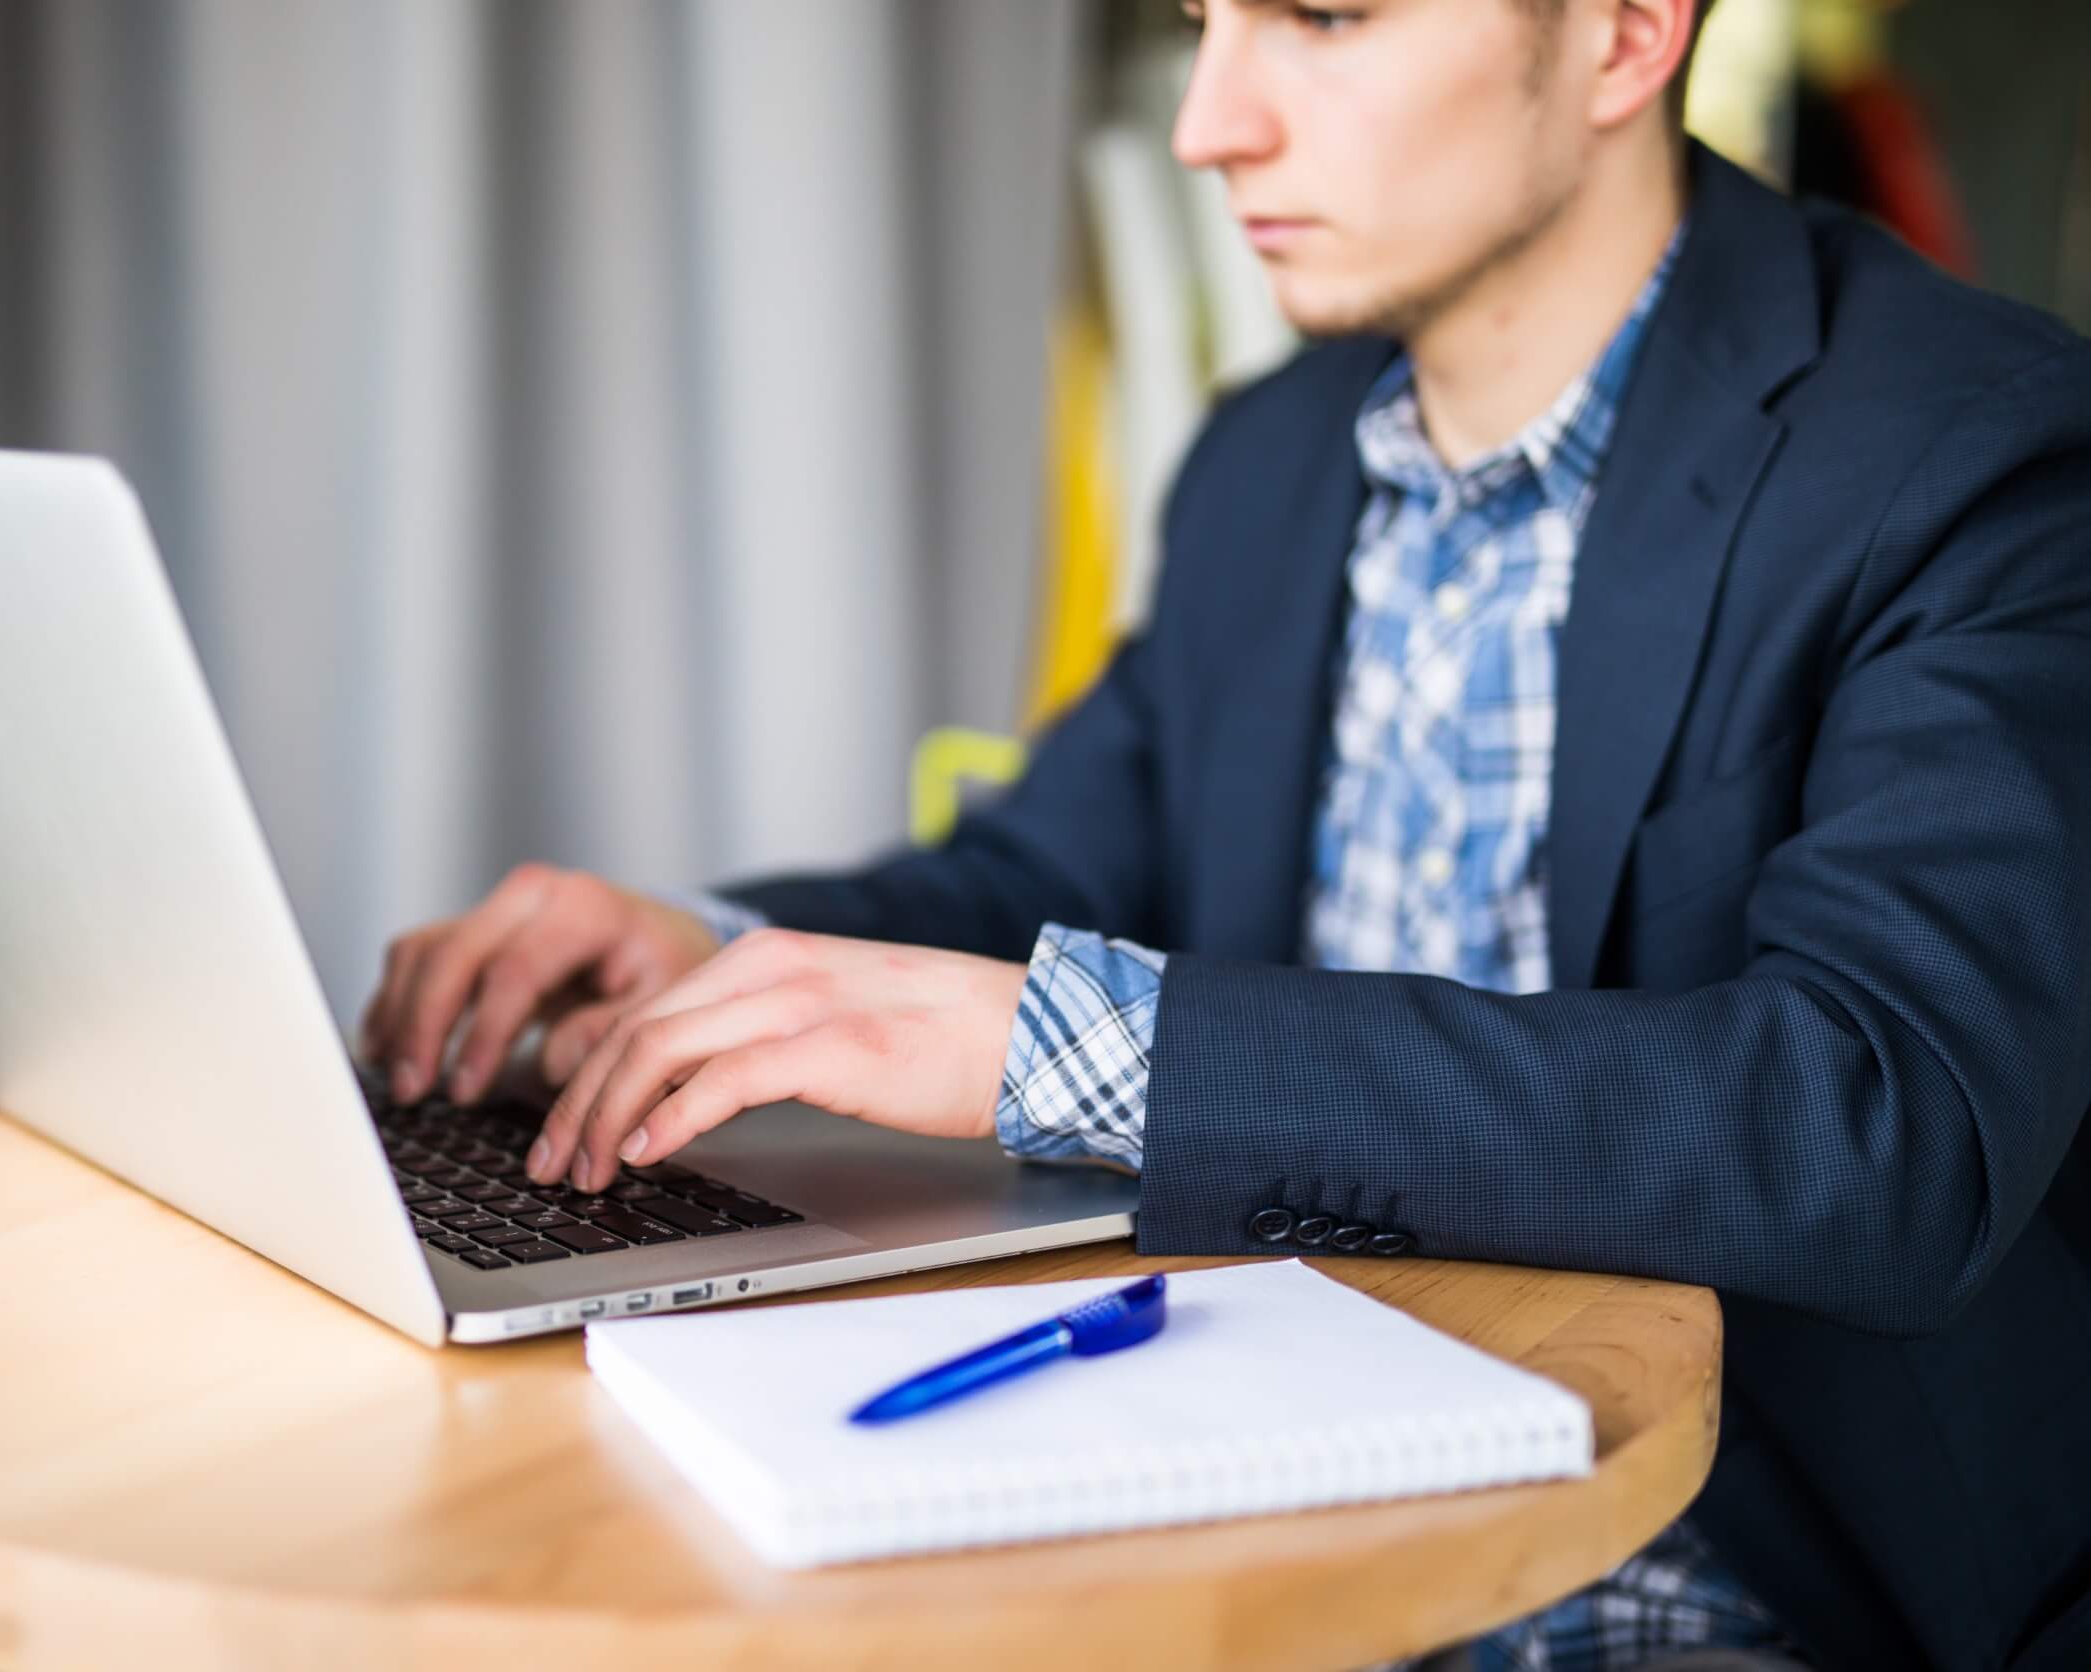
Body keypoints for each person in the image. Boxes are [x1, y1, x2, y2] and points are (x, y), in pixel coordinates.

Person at [361, 1, 2091, 1665]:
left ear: (1627, 32)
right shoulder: (1272, 455)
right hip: (1245, 1491)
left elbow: (1885, 1122)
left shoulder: (1974, 452)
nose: (1210, 126)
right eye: (1206, 22)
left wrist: (1076, 1048)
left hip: (1718, 1573)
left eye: (1325, 17)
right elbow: (1042, 877)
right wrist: (703, 949)